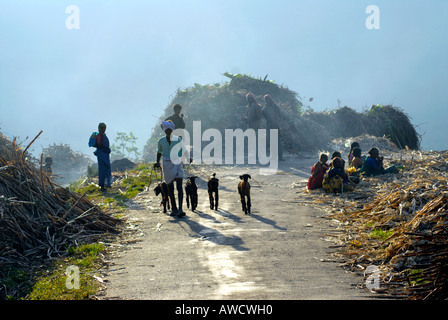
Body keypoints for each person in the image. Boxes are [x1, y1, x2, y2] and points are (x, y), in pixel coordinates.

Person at [154, 120, 190, 217]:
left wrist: (188, 158)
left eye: (170, 129)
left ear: (172, 129)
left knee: (179, 186)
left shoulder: (178, 139)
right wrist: (157, 162)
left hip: (177, 162)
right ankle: (174, 209)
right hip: (167, 164)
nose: (168, 131)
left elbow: (184, 150)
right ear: (164, 130)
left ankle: (180, 209)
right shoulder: (161, 141)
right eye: (166, 129)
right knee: (170, 187)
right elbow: (159, 152)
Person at [263, 94, 284, 160]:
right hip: (269, 126)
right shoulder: (265, 108)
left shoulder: (275, 106)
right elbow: (265, 117)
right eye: (266, 99)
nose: (267, 100)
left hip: (275, 126)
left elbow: (280, 116)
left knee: (277, 142)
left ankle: (280, 156)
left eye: (268, 99)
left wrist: (277, 122)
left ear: (270, 99)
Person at [95, 122, 112, 192]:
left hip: (105, 155)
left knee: (107, 168)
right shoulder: (99, 136)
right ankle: (102, 186)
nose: (104, 129)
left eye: (104, 128)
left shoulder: (103, 135)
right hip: (102, 155)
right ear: (100, 128)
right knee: (102, 170)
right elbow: (99, 145)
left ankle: (108, 184)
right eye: (102, 128)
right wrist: (105, 148)